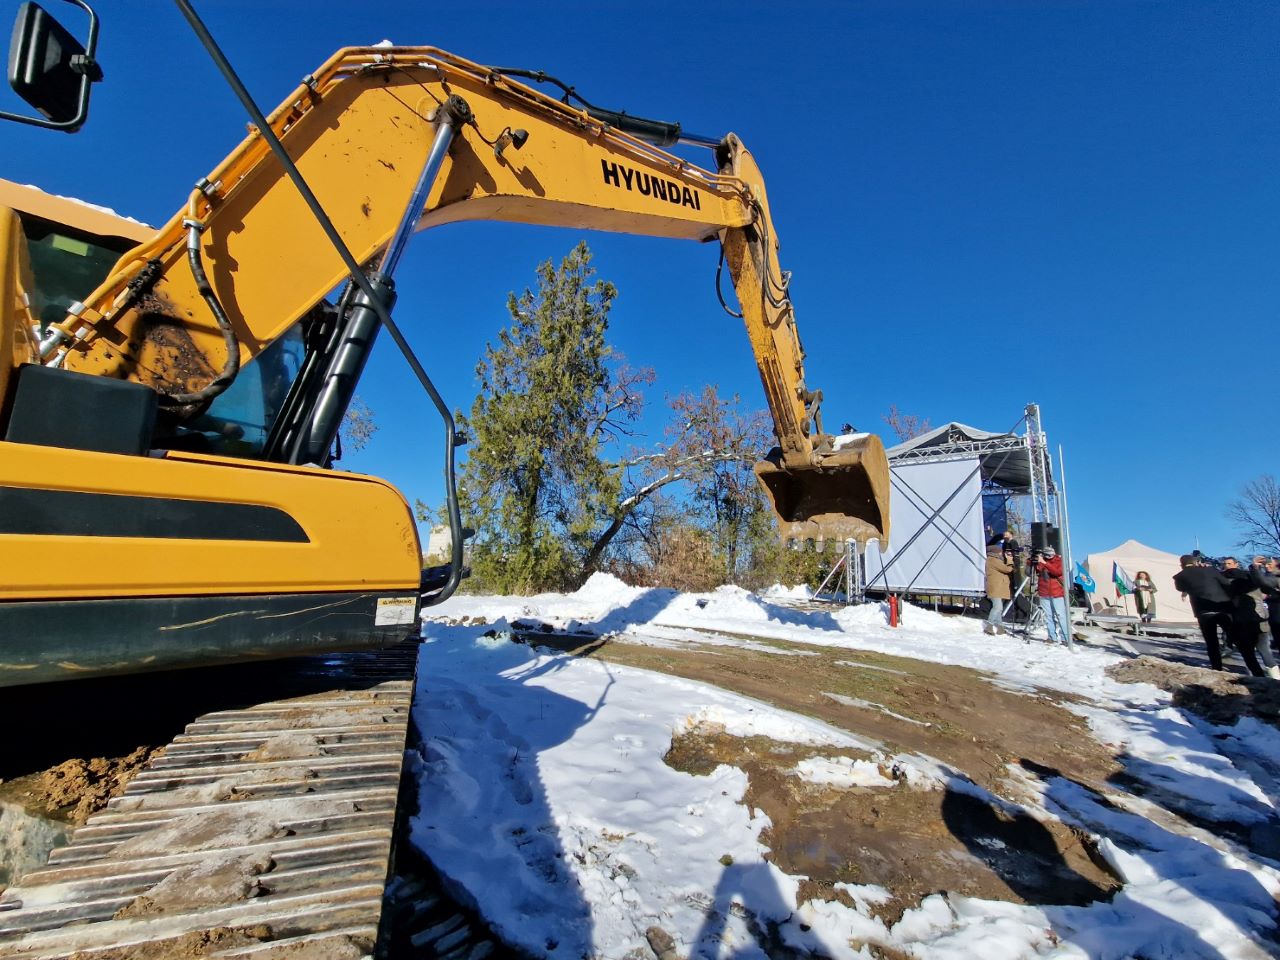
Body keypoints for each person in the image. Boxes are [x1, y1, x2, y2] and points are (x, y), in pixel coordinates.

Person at [1174, 555, 1263, 676]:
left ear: (1182, 564)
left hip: (1203, 612)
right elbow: (1226, 583)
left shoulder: (1180, 576)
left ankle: (1217, 670)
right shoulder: (1210, 570)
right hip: (1223, 608)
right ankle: (1256, 671)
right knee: (1240, 641)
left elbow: (1181, 588)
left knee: (1212, 643)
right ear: (1195, 562)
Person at [1224, 557, 1278, 679]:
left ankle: (1260, 679)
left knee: (1248, 654)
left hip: (1241, 621)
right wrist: (1255, 568)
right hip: (1257, 618)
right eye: (1225, 564)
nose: (1227, 566)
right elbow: (1264, 585)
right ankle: (1275, 681)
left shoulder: (1227, 582)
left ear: (1236, 564)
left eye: (1228, 563)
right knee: (1264, 651)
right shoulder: (1251, 578)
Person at [1033, 546, 1071, 648]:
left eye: (1051, 554)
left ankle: (1066, 638)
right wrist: (1034, 561)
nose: (1049, 556)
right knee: (1048, 616)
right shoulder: (1041, 561)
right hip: (1044, 593)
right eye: (1047, 555)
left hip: (1057, 593)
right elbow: (1037, 571)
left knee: (1060, 616)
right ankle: (1052, 637)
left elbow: (1057, 572)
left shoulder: (1059, 561)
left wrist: (1045, 563)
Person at [984, 543, 1014, 635]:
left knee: (999, 608)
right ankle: (989, 626)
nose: (1002, 553)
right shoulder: (993, 560)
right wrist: (1009, 560)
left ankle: (1000, 628)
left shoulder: (992, 560)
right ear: (996, 552)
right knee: (997, 607)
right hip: (995, 587)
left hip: (997, 587)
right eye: (1000, 552)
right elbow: (1007, 569)